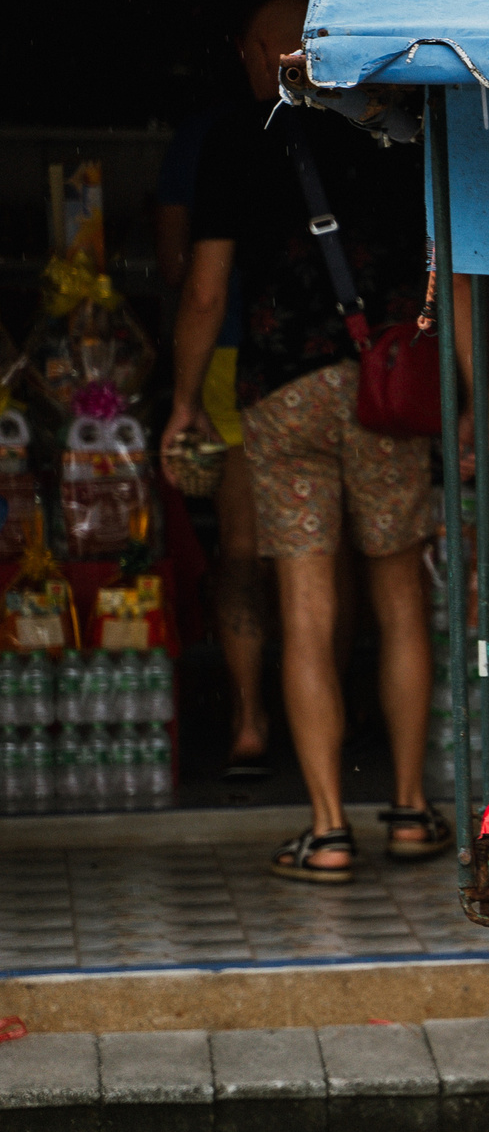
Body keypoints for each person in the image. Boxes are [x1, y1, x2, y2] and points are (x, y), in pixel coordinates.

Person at [159, 0, 462, 882]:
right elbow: (449, 265)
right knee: (400, 596)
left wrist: (183, 403)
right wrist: (466, 396)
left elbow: (206, 294)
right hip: (386, 390)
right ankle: (410, 810)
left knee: (307, 608)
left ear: (265, 52)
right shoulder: (396, 127)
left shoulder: (235, 140)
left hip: (283, 394)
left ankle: (328, 829)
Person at [156, 107, 273, 780]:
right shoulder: (352, 118)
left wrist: (182, 397)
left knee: (240, 547)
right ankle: (335, 711)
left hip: (231, 355)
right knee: (322, 554)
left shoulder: (205, 134)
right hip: (332, 362)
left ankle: (250, 719)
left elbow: (182, 271)